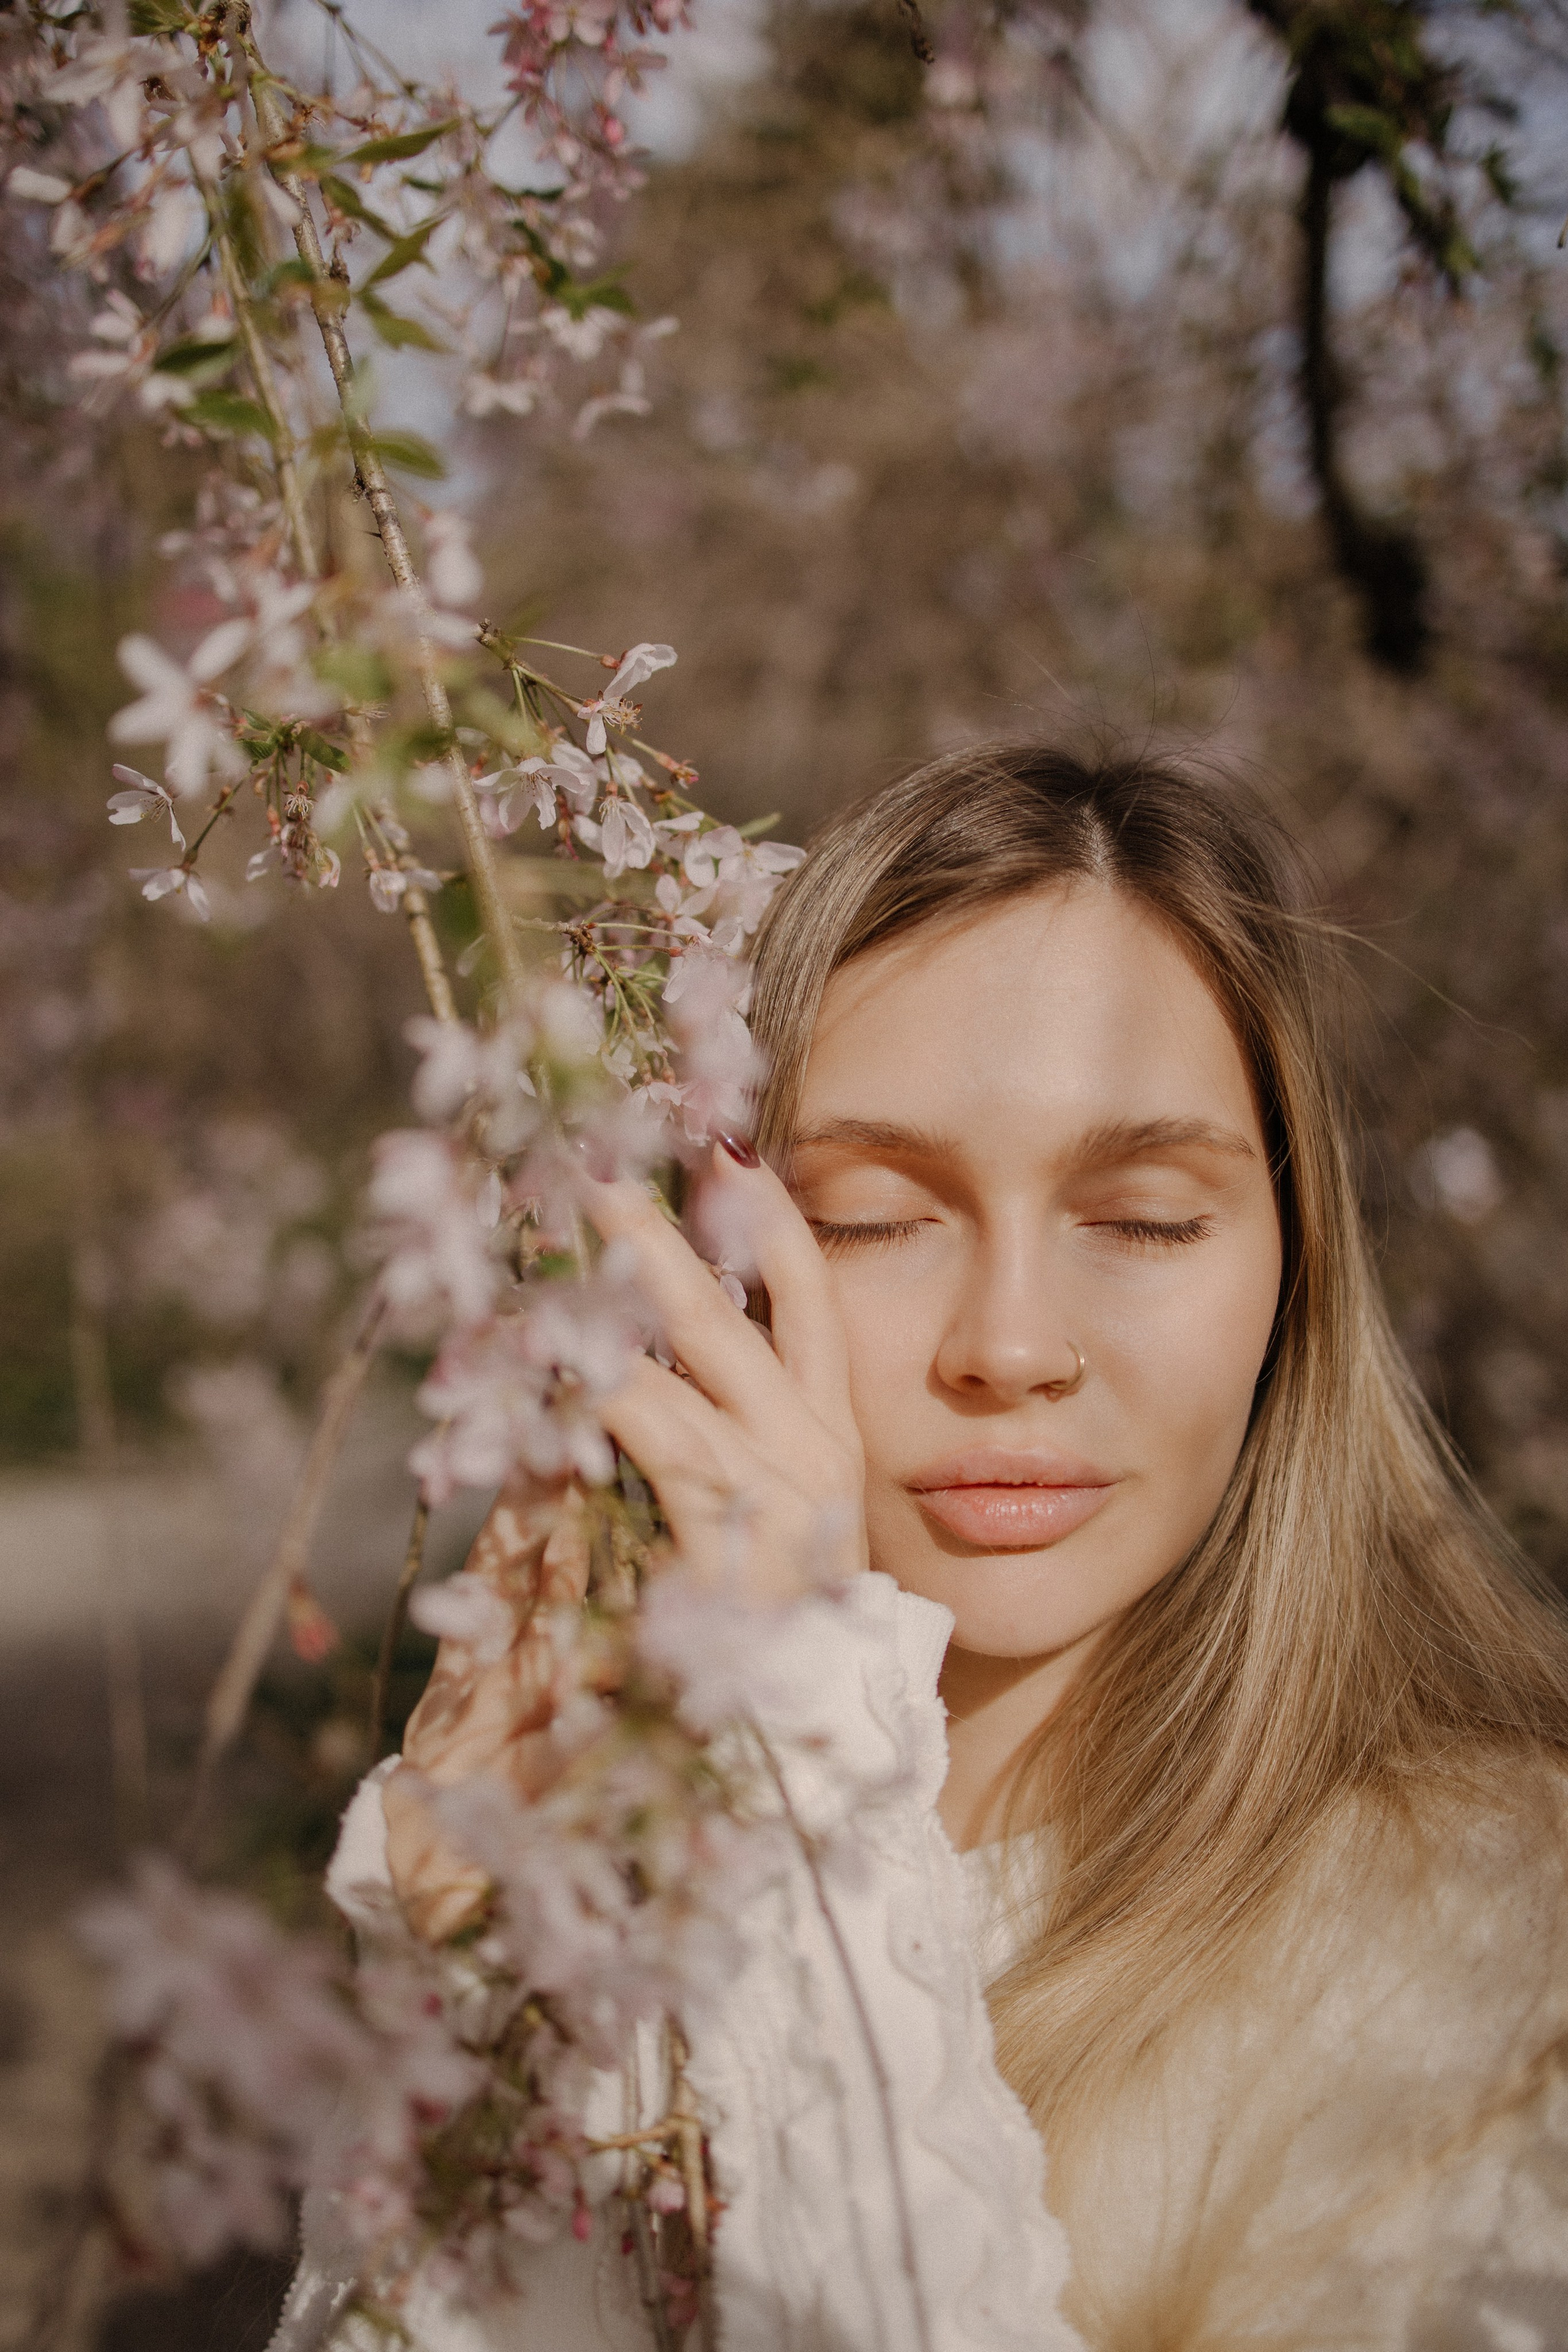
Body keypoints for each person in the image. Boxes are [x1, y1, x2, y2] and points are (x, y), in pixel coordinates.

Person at [275, 744, 1568, 2352]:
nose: (1011, 1347)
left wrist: (803, 1786)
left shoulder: (1501, 1963)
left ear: (1295, 1271)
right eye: (873, 1216)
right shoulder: (616, 1857)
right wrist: (488, 2002)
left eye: (1149, 1218)